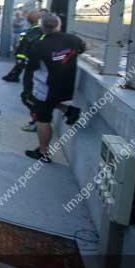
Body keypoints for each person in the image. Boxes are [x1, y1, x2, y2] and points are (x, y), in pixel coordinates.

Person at [22, 13, 84, 163]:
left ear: (42, 27)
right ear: (59, 25)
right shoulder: (73, 39)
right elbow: (83, 48)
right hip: (67, 86)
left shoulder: (39, 45)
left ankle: (43, 152)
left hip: (46, 88)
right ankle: (68, 110)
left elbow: (31, 67)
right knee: (47, 105)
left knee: (43, 119)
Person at [2, 10, 42, 84]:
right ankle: (13, 76)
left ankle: (13, 76)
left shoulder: (32, 30)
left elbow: (25, 43)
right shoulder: (37, 30)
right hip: (29, 55)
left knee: (23, 68)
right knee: (26, 71)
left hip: (25, 54)